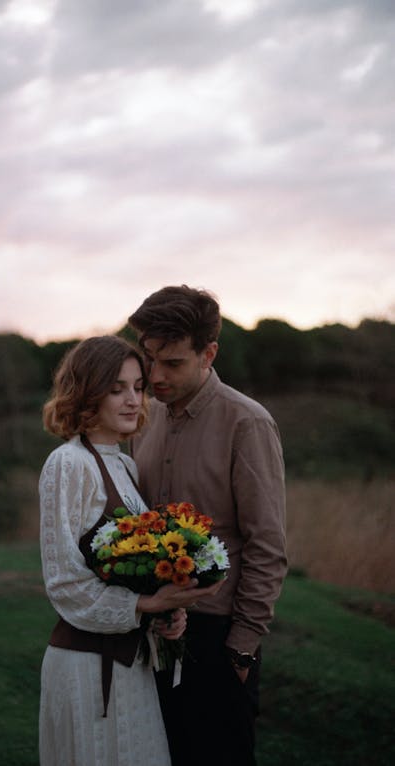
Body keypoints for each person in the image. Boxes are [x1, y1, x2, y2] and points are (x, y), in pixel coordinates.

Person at [38, 335, 223, 766]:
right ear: (86, 391)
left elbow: (129, 570)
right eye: (116, 388)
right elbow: (64, 581)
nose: (132, 400)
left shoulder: (123, 463)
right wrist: (144, 602)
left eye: (138, 387)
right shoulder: (68, 464)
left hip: (131, 666)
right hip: (86, 667)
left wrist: (161, 615)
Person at [128, 286, 287, 766]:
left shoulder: (247, 423)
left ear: (208, 353)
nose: (155, 375)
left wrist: (240, 650)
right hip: (151, 628)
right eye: (149, 358)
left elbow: (267, 544)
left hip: (218, 639)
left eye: (172, 363)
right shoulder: (144, 418)